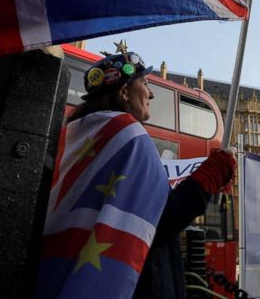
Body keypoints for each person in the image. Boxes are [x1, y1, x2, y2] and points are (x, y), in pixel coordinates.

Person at [40, 45, 235, 299]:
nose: (151, 94)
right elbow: (161, 220)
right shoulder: (130, 136)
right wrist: (214, 172)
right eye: (144, 82)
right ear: (124, 91)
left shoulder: (76, 134)